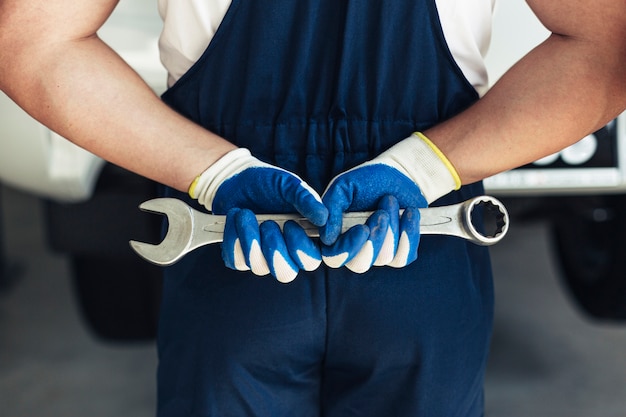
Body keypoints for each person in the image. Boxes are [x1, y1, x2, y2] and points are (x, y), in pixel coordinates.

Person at [1, 0, 625, 415]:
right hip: (417, 250)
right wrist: (422, 169)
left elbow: (29, 43)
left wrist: (220, 172)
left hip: (232, 248)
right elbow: (608, 48)